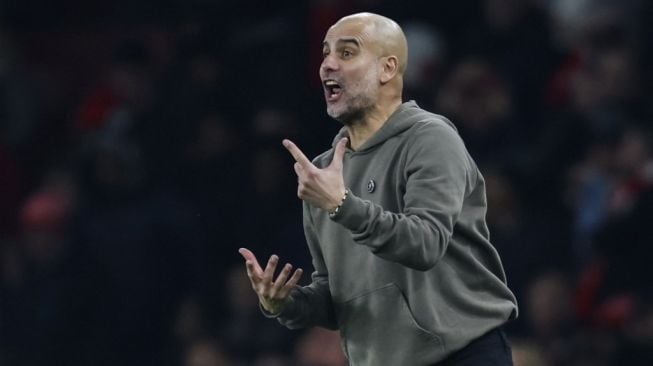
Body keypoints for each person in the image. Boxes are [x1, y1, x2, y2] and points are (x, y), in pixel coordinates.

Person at [239, 12, 517, 366]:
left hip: (463, 355)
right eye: (325, 53)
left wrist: (342, 205)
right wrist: (285, 305)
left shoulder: (430, 138)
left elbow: (426, 242)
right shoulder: (323, 173)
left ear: (387, 69)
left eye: (347, 53)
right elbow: (338, 296)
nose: (328, 65)